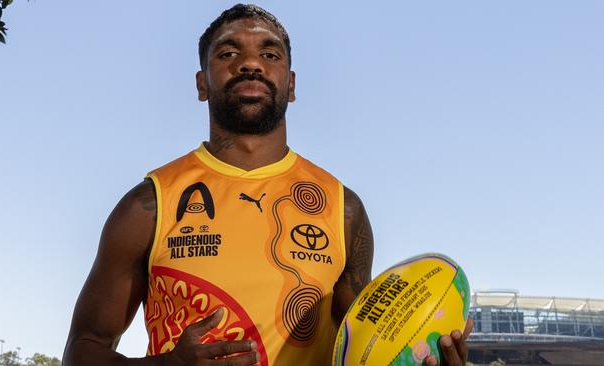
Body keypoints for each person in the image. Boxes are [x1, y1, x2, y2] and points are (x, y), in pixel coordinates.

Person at [62, 4, 472, 366]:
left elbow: (363, 348)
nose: (250, 64)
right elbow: (82, 349)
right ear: (202, 83)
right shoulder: (149, 204)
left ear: (291, 84)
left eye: (269, 53)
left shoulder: (342, 209)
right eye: (228, 53)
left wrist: (417, 358)